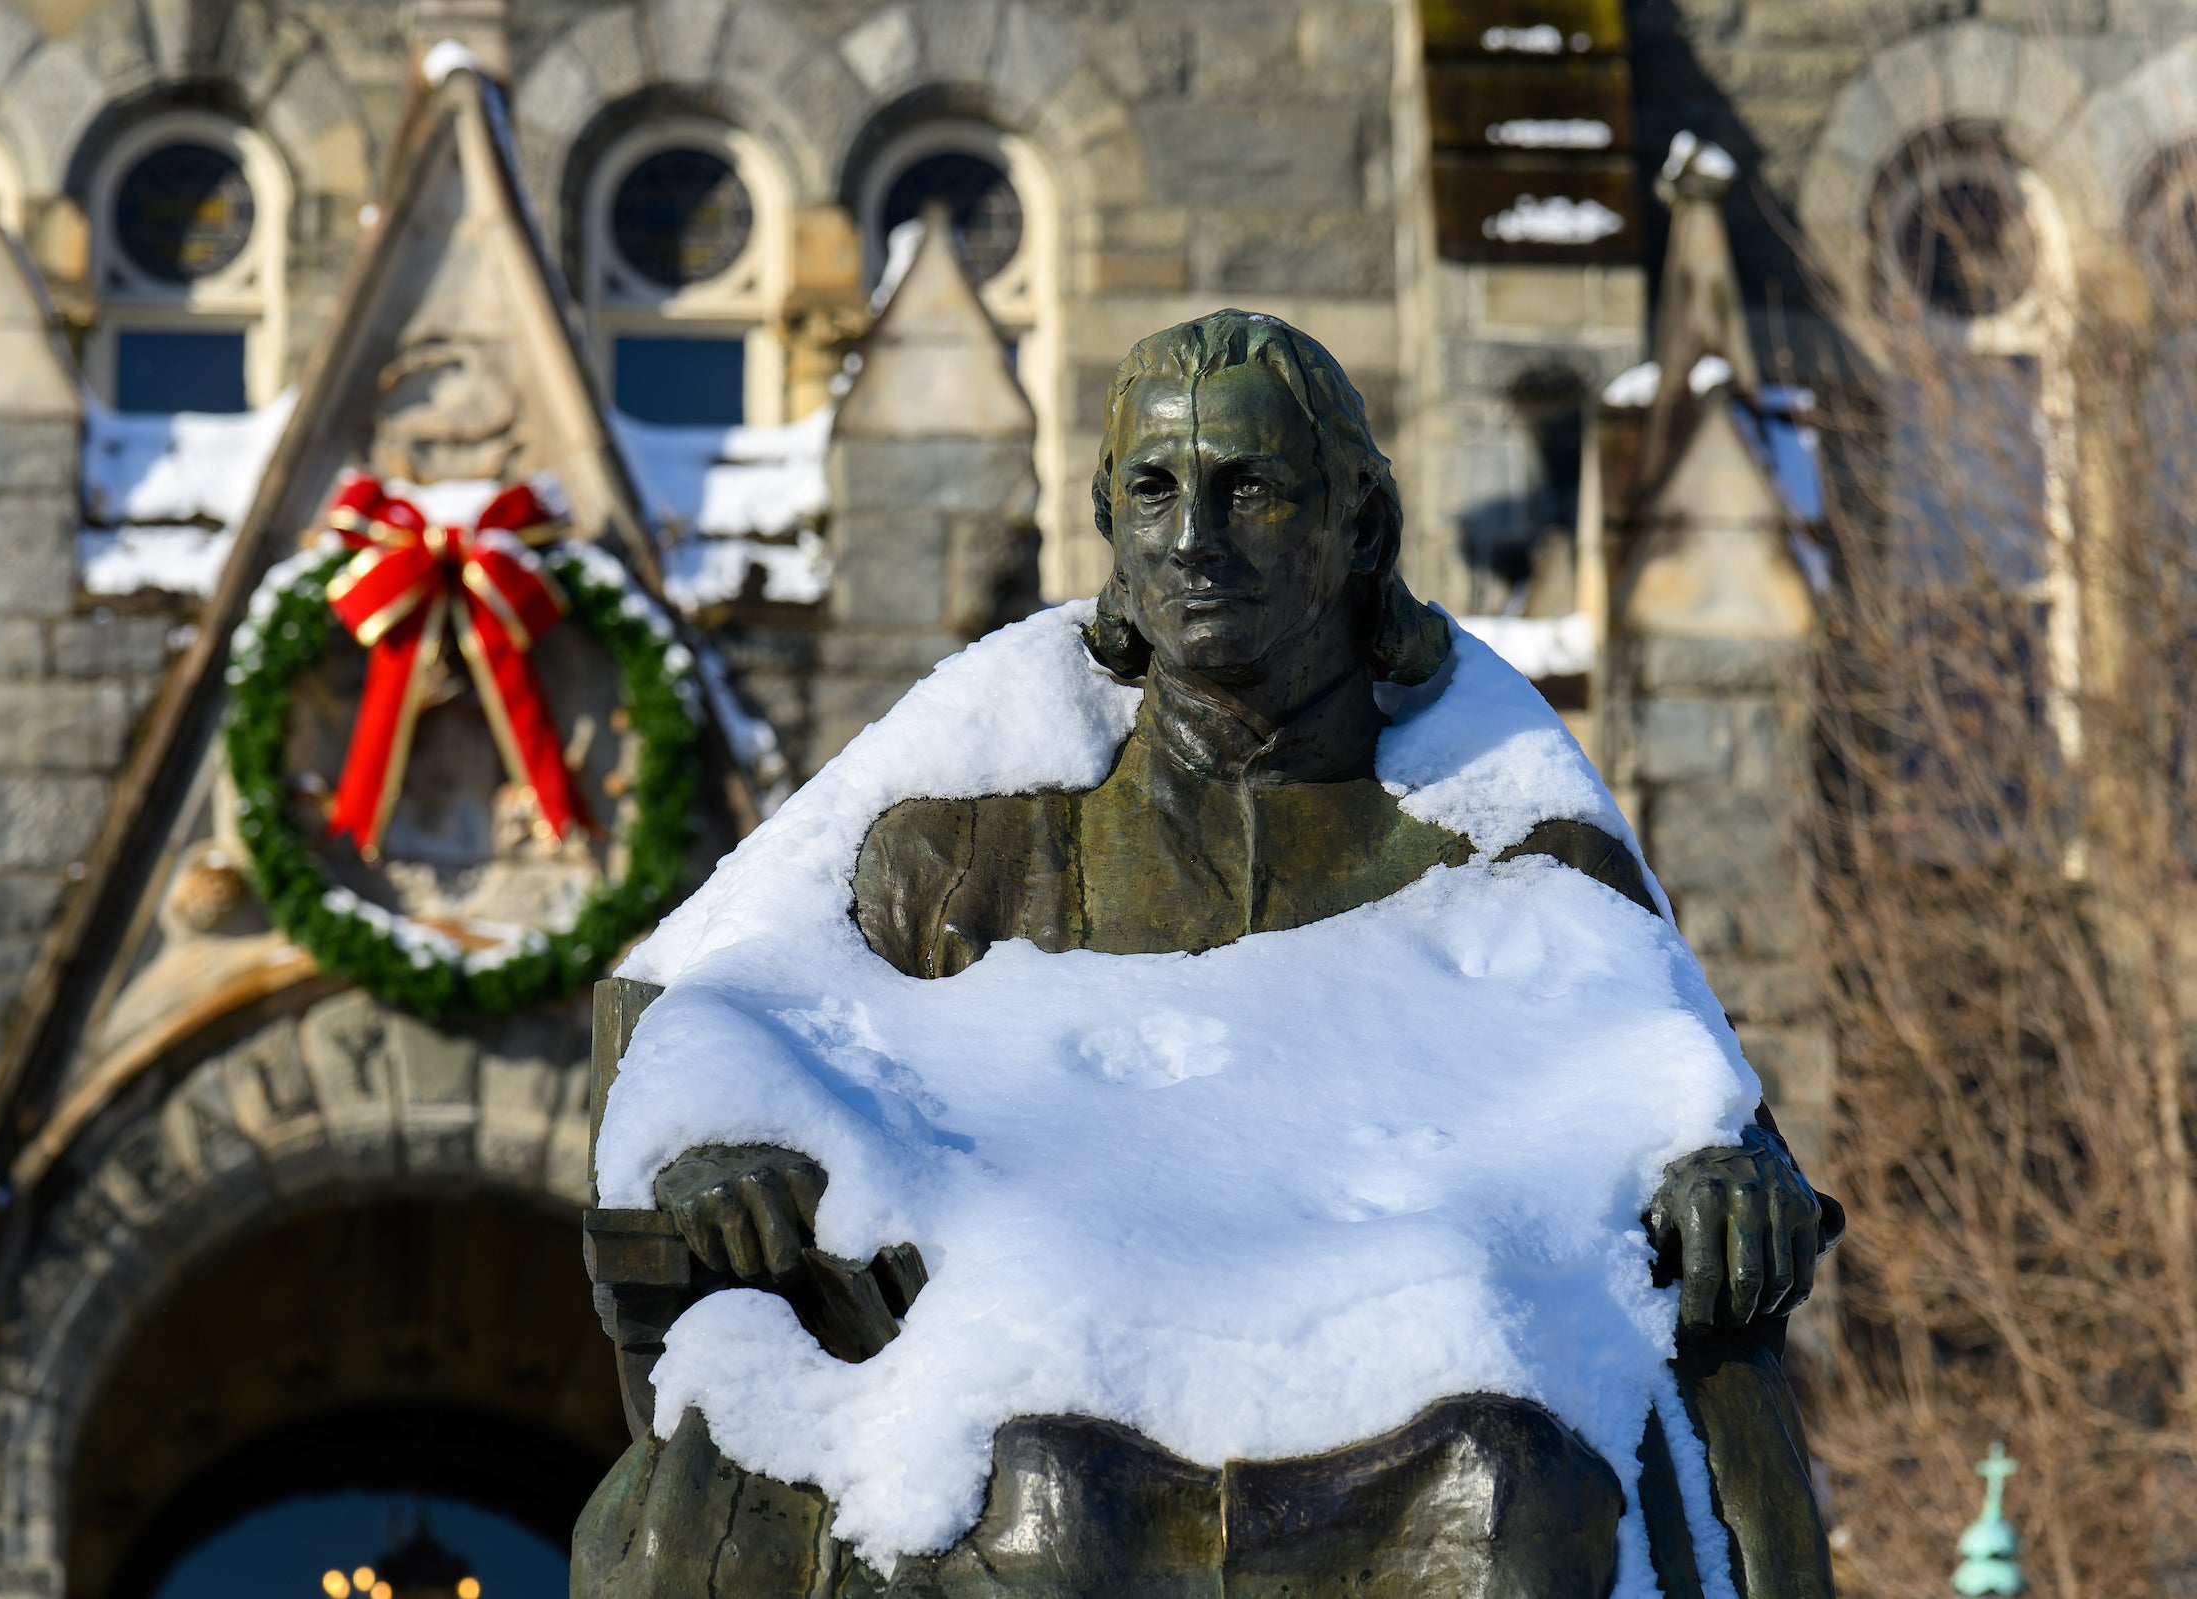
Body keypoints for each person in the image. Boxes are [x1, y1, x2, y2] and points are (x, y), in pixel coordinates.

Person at [578, 311, 1840, 1599]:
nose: (1195, 540)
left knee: (1505, 1496)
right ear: (1111, 533)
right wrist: (716, 1139)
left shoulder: (1504, 856)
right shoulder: (966, 849)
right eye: (1155, 490)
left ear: (1361, 528)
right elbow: (711, 997)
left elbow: (1672, 1079)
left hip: (1424, 1387)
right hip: (1045, 1401)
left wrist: (1723, 1171)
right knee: (1041, 1509)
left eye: (1250, 489)